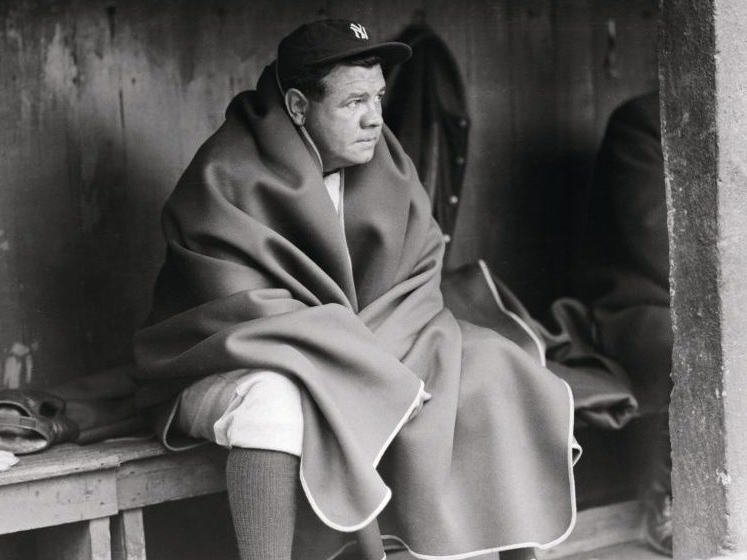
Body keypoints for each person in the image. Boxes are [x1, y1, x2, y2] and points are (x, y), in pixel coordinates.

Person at [133, 19, 578, 560]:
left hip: (353, 347)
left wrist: (369, 361)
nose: (374, 118)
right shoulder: (224, 173)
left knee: (493, 365)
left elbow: (419, 273)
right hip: (220, 362)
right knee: (279, 401)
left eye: (379, 98)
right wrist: (364, 364)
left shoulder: (382, 158)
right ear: (298, 107)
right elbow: (245, 312)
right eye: (353, 103)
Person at [573, 91, 672, 555]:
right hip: (642, 307)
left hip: (730, 303)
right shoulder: (644, 120)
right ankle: (675, 500)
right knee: (707, 350)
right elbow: (666, 250)